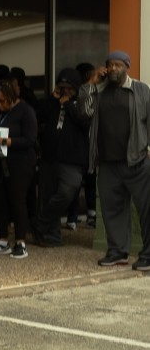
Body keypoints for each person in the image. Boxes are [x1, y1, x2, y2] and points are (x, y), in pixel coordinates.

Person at [77, 50, 150, 269]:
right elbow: (84, 112)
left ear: (127, 67)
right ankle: (118, 252)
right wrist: (90, 83)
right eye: (110, 64)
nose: (113, 69)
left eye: (118, 65)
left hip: (137, 160)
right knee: (112, 210)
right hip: (108, 162)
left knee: (146, 209)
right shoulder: (99, 90)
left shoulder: (140, 90)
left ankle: (148, 255)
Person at [31, 68, 89, 247]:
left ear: (75, 87)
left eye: (68, 87)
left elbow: (85, 122)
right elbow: (38, 116)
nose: (65, 90)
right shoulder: (53, 102)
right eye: (61, 86)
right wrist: (53, 98)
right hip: (50, 156)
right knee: (48, 196)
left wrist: (68, 104)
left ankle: (39, 223)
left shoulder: (81, 101)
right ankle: (51, 235)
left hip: (71, 158)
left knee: (67, 191)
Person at [0, 79, 38, 258]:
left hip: (20, 162)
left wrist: (5, 141)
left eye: (3, 101)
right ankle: (2, 240)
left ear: (12, 97)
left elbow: (30, 139)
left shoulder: (25, 111)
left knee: (17, 200)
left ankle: (20, 242)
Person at [64, 61, 98, 231]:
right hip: (81, 146)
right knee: (76, 184)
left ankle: (91, 214)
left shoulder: (98, 93)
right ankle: (73, 217)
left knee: (91, 181)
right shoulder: (80, 95)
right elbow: (84, 114)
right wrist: (90, 84)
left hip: (92, 147)